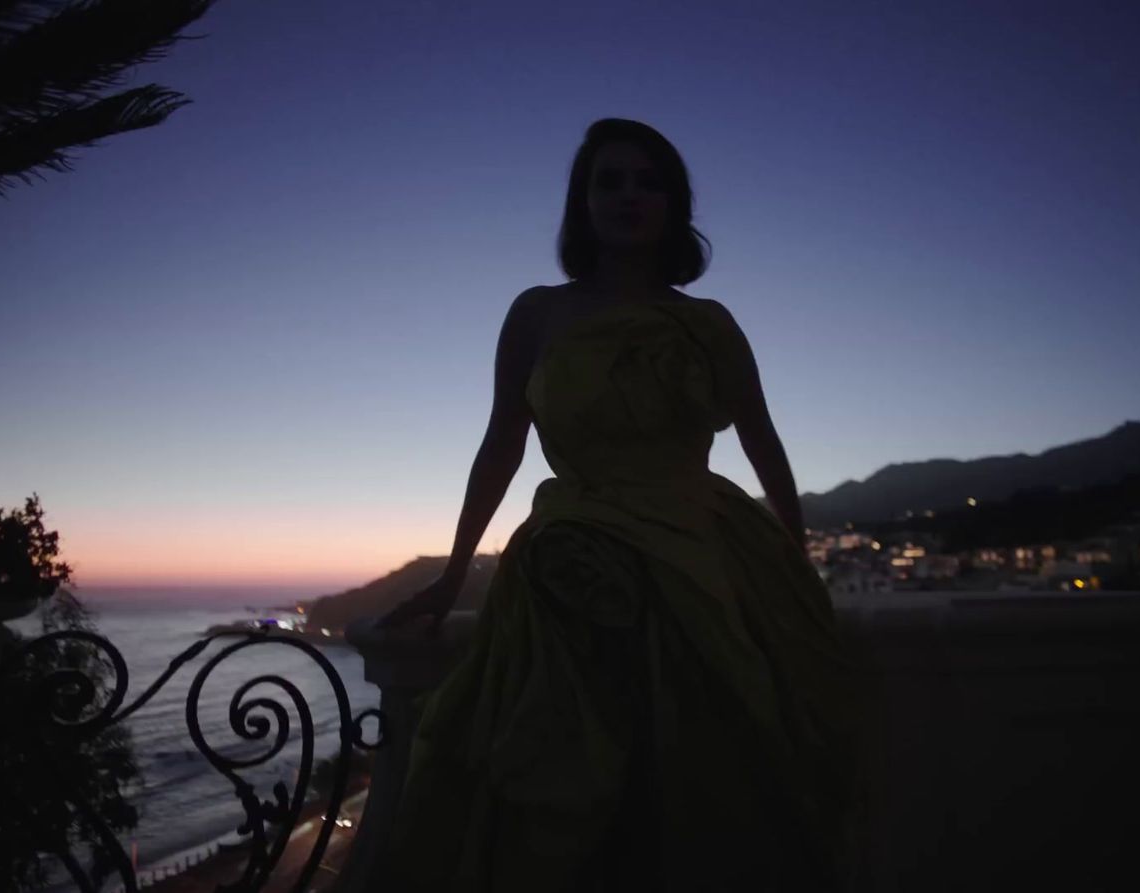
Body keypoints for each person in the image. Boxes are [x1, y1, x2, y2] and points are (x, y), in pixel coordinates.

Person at [370, 117, 868, 892]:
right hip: (575, 553)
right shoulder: (535, 313)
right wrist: (452, 573)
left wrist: (791, 562)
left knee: (711, 767)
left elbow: (764, 443)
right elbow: (502, 443)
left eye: (648, 181)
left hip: (700, 543)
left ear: (675, 205)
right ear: (581, 203)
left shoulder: (709, 323)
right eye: (609, 180)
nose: (629, 196)